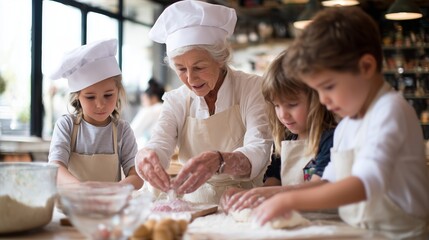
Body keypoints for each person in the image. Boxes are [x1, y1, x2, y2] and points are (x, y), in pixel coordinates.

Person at [252, 7, 429, 238]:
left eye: (328, 87)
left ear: (366, 67)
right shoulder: (347, 125)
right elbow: (327, 182)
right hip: (361, 230)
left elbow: (365, 184)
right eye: (317, 90)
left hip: (403, 234)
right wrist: (274, 195)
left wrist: (289, 199)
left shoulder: (389, 110)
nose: (323, 100)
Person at [135, 0, 272, 204]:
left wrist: (221, 161)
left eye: (199, 67)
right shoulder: (176, 100)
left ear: (220, 59)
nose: (191, 79)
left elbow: (259, 148)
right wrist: (146, 157)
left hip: (243, 199)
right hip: (192, 202)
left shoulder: (251, 88)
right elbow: (160, 143)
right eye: (181, 69)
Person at [221, 50, 336, 212]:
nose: (283, 115)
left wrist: (264, 194)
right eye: (276, 105)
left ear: (318, 98)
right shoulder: (285, 136)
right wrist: (254, 196)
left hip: (325, 220)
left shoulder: (332, 138)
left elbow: (318, 187)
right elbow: (274, 176)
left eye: (292, 104)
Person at [48, 39, 143, 189]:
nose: (100, 104)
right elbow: (56, 167)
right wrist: (82, 189)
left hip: (109, 206)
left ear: (118, 92)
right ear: (77, 96)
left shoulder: (122, 131)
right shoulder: (66, 126)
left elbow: (136, 176)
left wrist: (114, 190)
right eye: (90, 97)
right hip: (72, 205)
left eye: (108, 95)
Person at [131, 78, 165, 148]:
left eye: (144, 100)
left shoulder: (151, 110)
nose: (143, 104)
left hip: (153, 151)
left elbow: (132, 132)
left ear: (153, 98)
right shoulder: (167, 108)